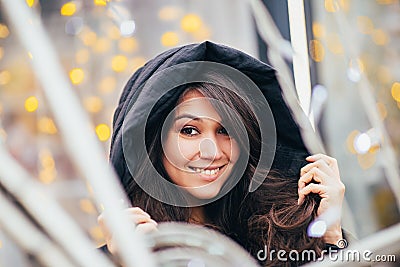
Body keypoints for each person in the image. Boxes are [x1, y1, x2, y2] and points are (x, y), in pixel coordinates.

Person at [98, 41, 345, 266]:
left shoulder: (285, 241)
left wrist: (332, 237)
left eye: (226, 130)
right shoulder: (110, 255)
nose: (212, 151)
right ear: (154, 142)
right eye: (190, 130)